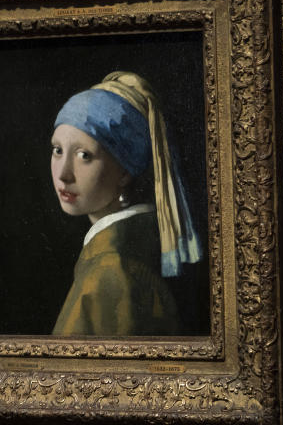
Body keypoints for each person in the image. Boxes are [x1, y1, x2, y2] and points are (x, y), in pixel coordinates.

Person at [49, 71, 202, 336]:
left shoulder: (111, 269)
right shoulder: (133, 247)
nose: (63, 173)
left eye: (84, 155)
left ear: (125, 171)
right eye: (57, 150)